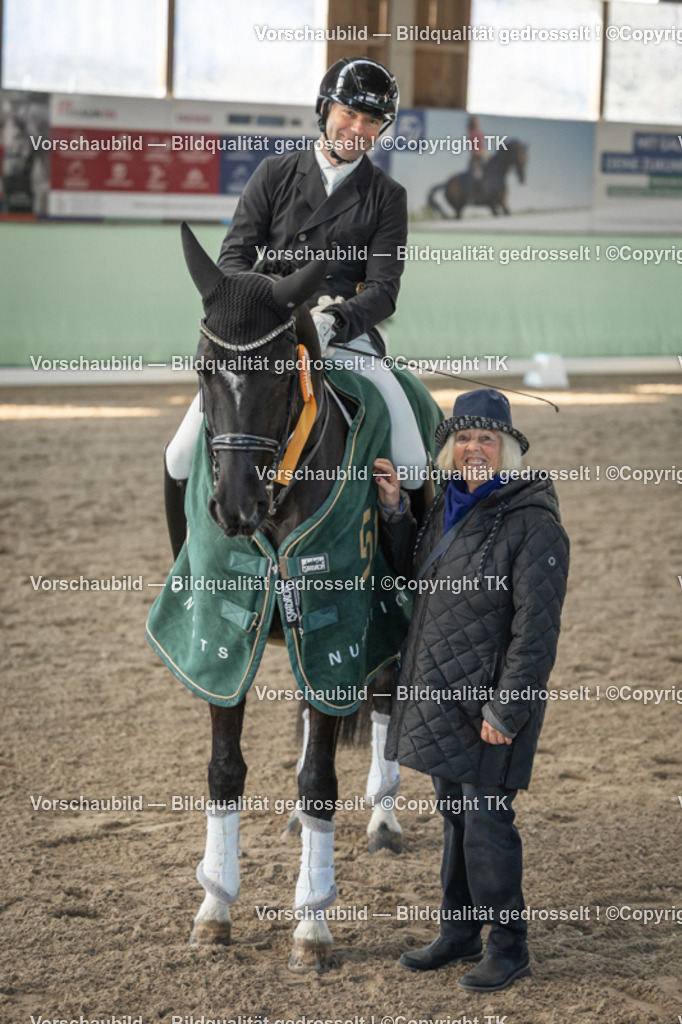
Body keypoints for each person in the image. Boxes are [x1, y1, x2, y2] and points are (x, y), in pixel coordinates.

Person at [373, 388, 569, 993]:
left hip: (489, 705)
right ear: (450, 449)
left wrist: (506, 709)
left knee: (488, 822)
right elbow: (418, 577)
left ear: (507, 448)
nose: (473, 448)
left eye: (487, 438)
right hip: (438, 695)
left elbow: (536, 632)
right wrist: (396, 512)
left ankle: (509, 947)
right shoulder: (445, 506)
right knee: (456, 819)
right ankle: (459, 933)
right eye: (463, 438)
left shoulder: (533, 523)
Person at [165, 56, 427, 500]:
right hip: (267, 330)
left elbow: (385, 289)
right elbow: (234, 259)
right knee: (179, 454)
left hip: (342, 335)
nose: (359, 129)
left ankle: (412, 563)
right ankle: (185, 566)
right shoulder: (275, 172)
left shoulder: (387, 196)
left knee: (413, 461)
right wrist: (252, 310)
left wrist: (337, 320)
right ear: (325, 109)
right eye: (349, 114)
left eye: (371, 120)